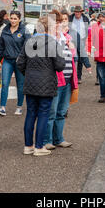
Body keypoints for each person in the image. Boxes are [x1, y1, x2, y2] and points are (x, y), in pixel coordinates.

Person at [17, 15, 66, 156]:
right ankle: (39, 147)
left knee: (31, 114)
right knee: (43, 114)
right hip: (47, 83)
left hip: (31, 82)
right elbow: (60, 65)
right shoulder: (52, 43)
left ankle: (28, 146)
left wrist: (29, 73)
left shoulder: (29, 41)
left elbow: (20, 63)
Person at [43, 10, 79, 150]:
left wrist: (71, 47)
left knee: (61, 112)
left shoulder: (66, 38)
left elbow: (73, 57)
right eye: (58, 21)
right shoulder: (49, 39)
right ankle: (47, 140)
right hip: (56, 81)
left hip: (68, 80)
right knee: (51, 112)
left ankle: (59, 138)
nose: (61, 24)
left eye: (63, 21)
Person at [0, 11, 30, 116]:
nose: (13, 20)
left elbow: (28, 45)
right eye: (12, 18)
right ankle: (2, 108)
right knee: (4, 83)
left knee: (20, 85)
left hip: (20, 62)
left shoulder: (24, 30)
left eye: (15, 19)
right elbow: (1, 46)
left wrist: (24, 59)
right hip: (7, 61)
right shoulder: (5, 30)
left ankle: (19, 107)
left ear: (19, 19)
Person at [69, 6, 92, 84]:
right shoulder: (70, 18)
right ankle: (72, 76)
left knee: (80, 60)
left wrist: (86, 39)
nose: (77, 13)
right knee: (74, 57)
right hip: (71, 40)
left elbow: (87, 30)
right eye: (76, 12)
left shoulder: (85, 19)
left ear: (81, 12)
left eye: (78, 12)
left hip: (82, 39)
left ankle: (78, 77)